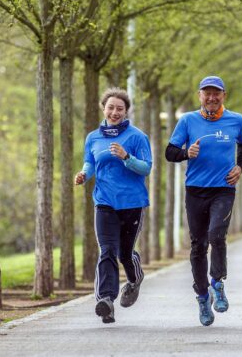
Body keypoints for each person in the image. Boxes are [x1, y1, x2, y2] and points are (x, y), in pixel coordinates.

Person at [164, 76, 242, 326]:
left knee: (216, 235)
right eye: (207, 93)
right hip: (195, 190)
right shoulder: (188, 120)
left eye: (216, 93)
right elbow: (170, 152)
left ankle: (218, 282)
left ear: (224, 95)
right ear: (199, 95)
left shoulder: (236, 120)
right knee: (198, 245)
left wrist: (240, 167)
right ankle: (202, 296)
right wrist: (185, 153)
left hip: (223, 188)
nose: (211, 98)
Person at [74, 87, 152, 324]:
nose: (115, 112)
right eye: (111, 107)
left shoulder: (137, 137)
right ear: (103, 108)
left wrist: (126, 157)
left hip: (132, 202)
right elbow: (90, 163)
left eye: (120, 108)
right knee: (107, 250)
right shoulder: (93, 138)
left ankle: (134, 277)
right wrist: (83, 175)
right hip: (104, 201)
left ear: (126, 112)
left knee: (124, 253)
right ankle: (106, 300)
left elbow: (146, 168)